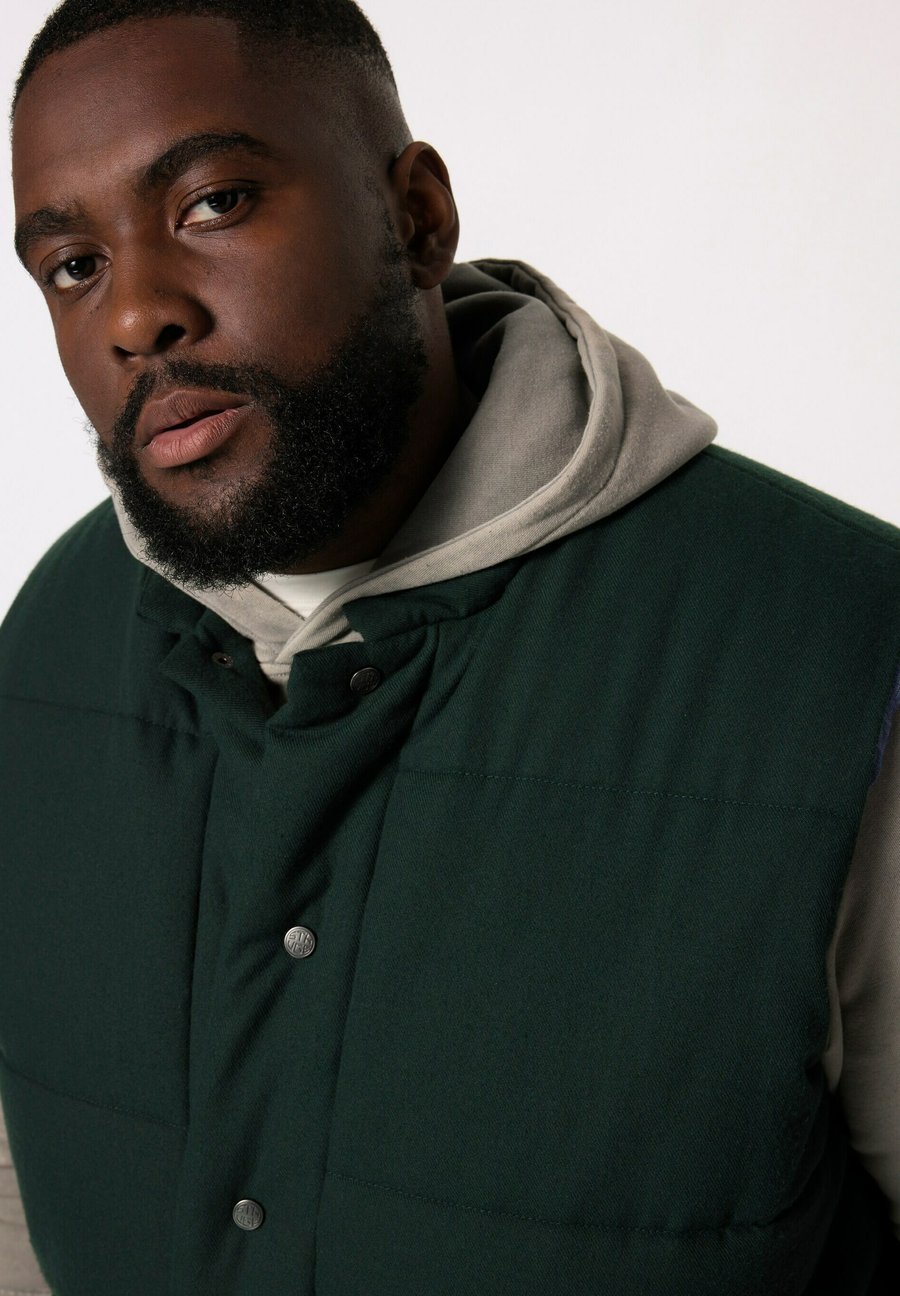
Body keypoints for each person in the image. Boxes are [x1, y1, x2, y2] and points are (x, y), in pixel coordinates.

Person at [1, 1, 898, 1292]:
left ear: (417, 215)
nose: (136, 313)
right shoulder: (52, 636)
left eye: (213, 203)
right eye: (72, 265)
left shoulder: (841, 652)